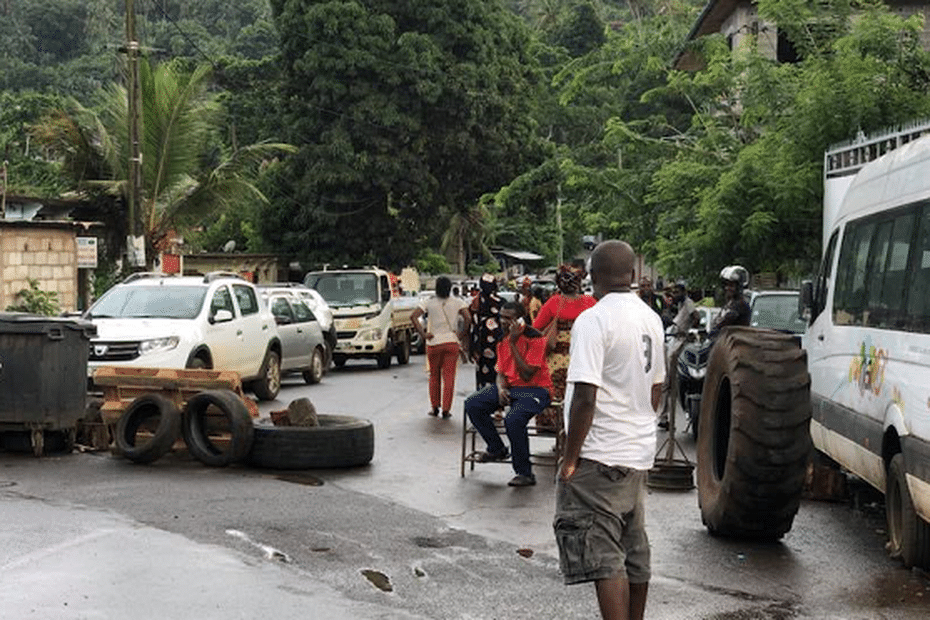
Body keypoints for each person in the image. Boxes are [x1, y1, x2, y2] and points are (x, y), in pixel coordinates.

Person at [554, 240, 665, 620]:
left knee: (604, 558)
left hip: (599, 455)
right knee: (634, 550)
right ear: (633, 276)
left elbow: (585, 395)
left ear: (591, 277)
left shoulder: (594, 319)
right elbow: (656, 390)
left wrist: (570, 459)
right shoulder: (651, 318)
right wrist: (639, 430)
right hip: (636, 455)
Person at [464, 301, 552, 487]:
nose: (503, 322)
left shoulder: (535, 338)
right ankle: (496, 448)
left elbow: (528, 374)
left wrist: (513, 342)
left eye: (508, 318)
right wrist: (501, 387)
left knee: (513, 419)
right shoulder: (502, 339)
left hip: (535, 390)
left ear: (520, 319)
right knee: (473, 404)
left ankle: (524, 472)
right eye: (501, 317)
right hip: (511, 388)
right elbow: (500, 372)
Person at [532, 263, 596, 428]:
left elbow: (536, 328)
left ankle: (557, 434)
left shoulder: (554, 303)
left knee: (557, 397)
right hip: (583, 358)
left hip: (556, 361)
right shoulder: (590, 302)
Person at [411, 276, 471, 419]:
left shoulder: (429, 302)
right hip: (451, 342)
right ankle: (446, 409)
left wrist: (423, 334)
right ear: (450, 288)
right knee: (449, 377)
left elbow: (413, 317)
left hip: (433, 343)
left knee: (434, 376)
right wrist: (461, 334)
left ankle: (434, 407)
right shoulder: (458, 302)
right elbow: (468, 318)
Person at [659, 281, 700, 429]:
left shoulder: (688, 303)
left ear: (683, 292)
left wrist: (687, 331)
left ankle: (666, 416)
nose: (675, 295)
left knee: (669, 382)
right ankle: (663, 416)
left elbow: (697, 317)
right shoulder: (679, 305)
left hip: (680, 341)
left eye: (677, 292)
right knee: (666, 383)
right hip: (674, 339)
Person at [469, 274, 504, 389]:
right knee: (498, 371)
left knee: (483, 374)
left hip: (481, 342)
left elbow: (473, 324)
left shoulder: (476, 301)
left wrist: (472, 347)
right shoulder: (500, 301)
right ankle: (497, 399)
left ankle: (483, 398)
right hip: (498, 341)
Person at [709, 265, 751, 337]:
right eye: (726, 285)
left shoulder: (740, 304)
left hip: (736, 343)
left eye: (731, 285)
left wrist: (713, 330)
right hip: (727, 341)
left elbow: (724, 322)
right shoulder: (729, 303)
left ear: (738, 287)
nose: (727, 288)